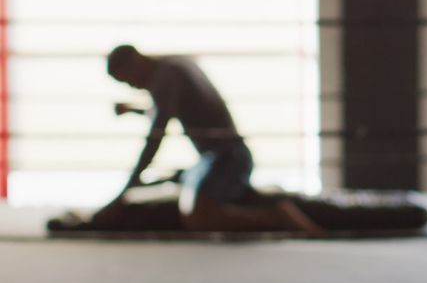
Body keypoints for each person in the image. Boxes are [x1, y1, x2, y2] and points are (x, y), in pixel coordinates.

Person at [99, 44, 320, 233]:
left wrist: (124, 194)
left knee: (196, 216)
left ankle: (278, 218)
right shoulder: (173, 66)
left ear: (136, 61)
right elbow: (167, 110)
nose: (135, 87)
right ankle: (273, 214)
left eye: (129, 81)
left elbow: (156, 134)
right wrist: (134, 110)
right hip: (220, 156)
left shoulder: (168, 76)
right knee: (170, 180)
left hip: (227, 157)